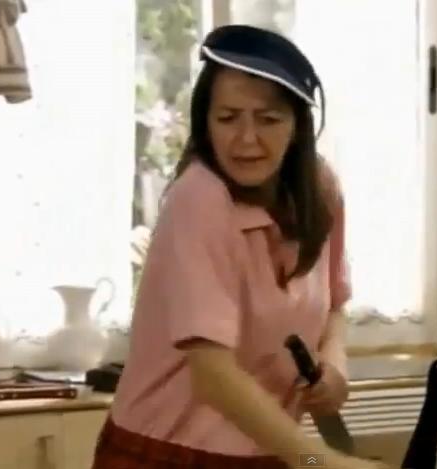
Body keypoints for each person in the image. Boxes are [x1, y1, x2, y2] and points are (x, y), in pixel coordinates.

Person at [92, 25, 393, 469]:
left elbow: (333, 305)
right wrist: (324, 463)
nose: (247, 139)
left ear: (297, 125)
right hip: (167, 455)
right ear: (205, 123)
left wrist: (334, 367)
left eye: (268, 119)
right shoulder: (198, 199)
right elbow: (213, 375)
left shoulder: (320, 190)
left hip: (270, 453)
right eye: (228, 118)